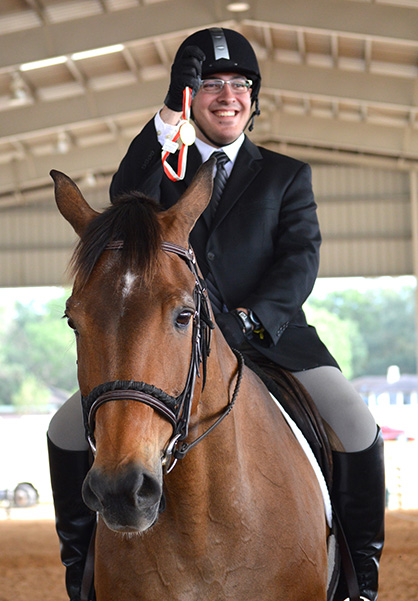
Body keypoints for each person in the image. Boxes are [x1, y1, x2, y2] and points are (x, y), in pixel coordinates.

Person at [48, 27, 385, 601]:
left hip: (270, 340)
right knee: (63, 429)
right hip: (167, 343)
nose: (227, 95)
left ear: (253, 100)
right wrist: (164, 120)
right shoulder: (162, 177)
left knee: (356, 426)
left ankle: (359, 579)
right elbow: (126, 193)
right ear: (189, 98)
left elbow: (299, 261)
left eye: (239, 85)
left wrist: (251, 319)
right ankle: (81, 576)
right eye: (209, 85)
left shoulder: (285, 176)